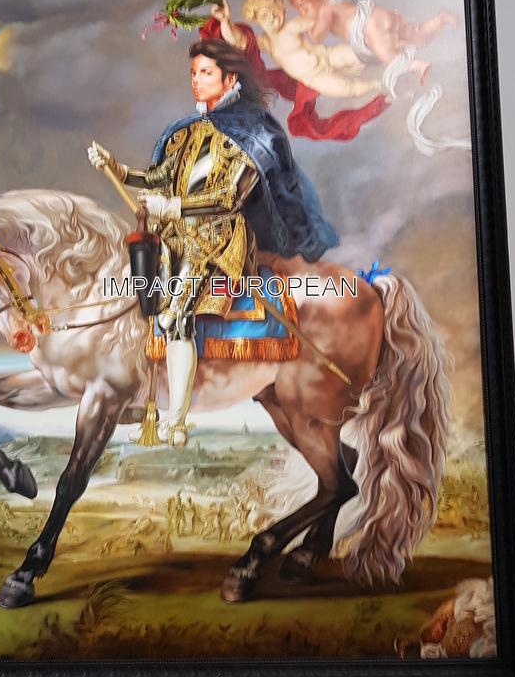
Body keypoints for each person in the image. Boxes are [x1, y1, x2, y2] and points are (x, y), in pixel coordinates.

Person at [88, 38, 337, 446]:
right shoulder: (188, 131)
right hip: (176, 236)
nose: (196, 80)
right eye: (193, 73)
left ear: (230, 79)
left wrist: (174, 207)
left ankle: (175, 420)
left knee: (175, 316)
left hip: (218, 241)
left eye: (205, 72)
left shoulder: (255, 133)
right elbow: (158, 178)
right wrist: (117, 168)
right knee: (138, 303)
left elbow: (229, 198)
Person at [213, 0, 382, 99]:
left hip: (327, 56)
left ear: (283, 11)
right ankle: (377, 85)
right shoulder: (265, 42)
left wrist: (327, 6)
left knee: (357, 53)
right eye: (264, 15)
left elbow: (321, 21)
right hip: (314, 76)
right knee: (346, 88)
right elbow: (237, 40)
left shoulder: (292, 26)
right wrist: (225, 20)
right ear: (256, 20)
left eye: (274, 12)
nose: (271, 18)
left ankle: (385, 51)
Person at [287, 0, 460, 85]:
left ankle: (418, 65)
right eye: (298, 8)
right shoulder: (335, 2)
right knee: (418, 35)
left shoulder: (325, 8)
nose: (302, 8)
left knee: (389, 56)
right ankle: (440, 18)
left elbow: (316, 37)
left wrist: (307, 25)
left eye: (302, 0)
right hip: (381, 18)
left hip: (371, 24)